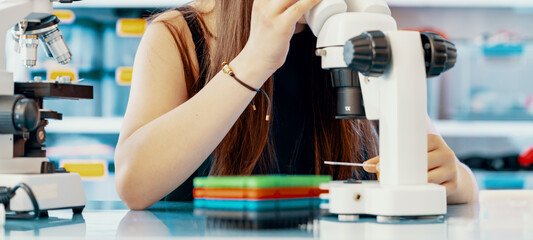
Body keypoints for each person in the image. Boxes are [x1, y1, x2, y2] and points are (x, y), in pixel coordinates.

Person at [114, 0, 479, 210]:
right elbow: (134, 185)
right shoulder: (177, 36)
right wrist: (255, 60)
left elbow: (454, 174)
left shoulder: (353, 35)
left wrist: (454, 179)